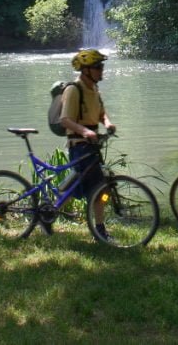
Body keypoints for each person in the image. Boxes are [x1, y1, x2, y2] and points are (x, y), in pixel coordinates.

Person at [58, 48, 116, 238]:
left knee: (87, 187)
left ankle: (51, 210)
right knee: (99, 188)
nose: (101, 70)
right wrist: (85, 131)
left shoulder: (94, 90)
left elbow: (101, 113)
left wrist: (107, 123)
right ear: (85, 71)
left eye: (102, 66)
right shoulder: (73, 90)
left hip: (91, 145)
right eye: (97, 67)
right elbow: (65, 119)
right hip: (79, 145)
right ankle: (100, 230)